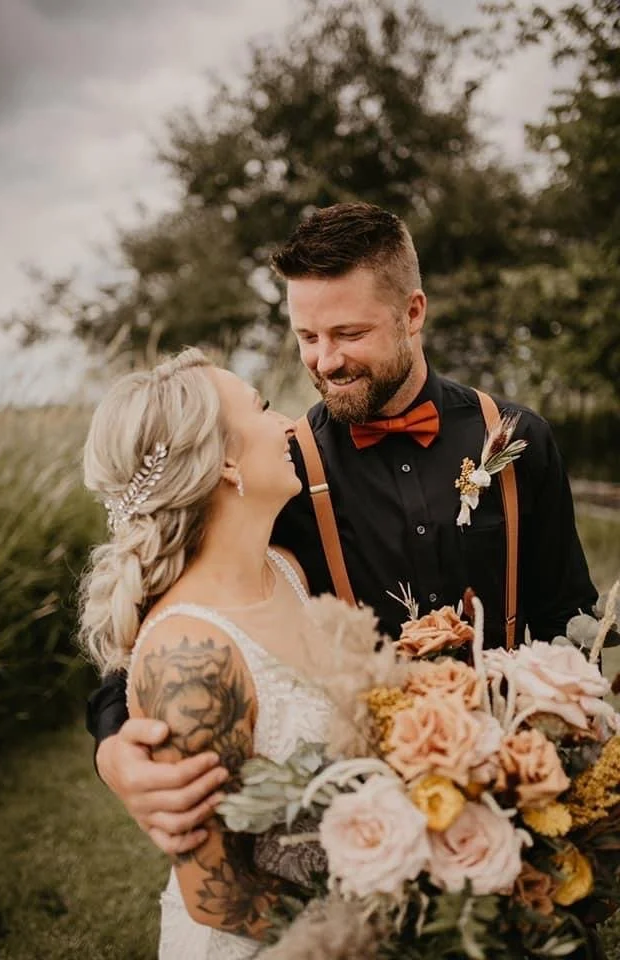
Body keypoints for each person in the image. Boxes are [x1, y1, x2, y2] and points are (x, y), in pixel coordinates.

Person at [87, 201, 598, 860]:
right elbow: (169, 614)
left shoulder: (519, 438)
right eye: (307, 337)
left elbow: (567, 613)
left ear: (413, 313)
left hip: (525, 788)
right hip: (376, 821)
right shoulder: (280, 474)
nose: (325, 361)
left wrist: (571, 755)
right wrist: (113, 749)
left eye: (348, 333)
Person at [79, 346, 331, 958]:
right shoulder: (188, 657)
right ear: (224, 459)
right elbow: (220, 896)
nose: (287, 424)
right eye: (262, 408)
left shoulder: (288, 569)